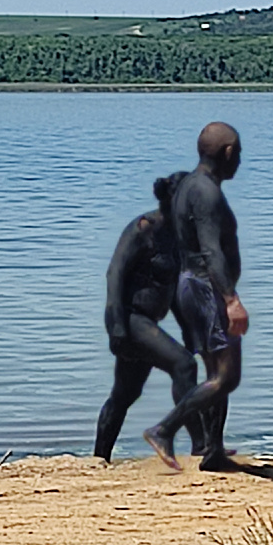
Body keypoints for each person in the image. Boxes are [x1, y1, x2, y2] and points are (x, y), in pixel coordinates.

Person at [143, 122, 248, 472]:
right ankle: (164, 429)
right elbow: (210, 250)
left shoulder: (189, 184)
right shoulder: (206, 192)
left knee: (215, 370)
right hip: (206, 288)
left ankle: (214, 451)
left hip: (191, 284)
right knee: (227, 377)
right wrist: (231, 299)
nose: (240, 160)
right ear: (228, 153)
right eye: (239, 153)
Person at [93, 173, 205, 463]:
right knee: (183, 365)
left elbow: (175, 290)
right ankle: (200, 447)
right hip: (129, 319)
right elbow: (114, 274)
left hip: (148, 323)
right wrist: (116, 326)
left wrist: (189, 331)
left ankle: (99, 459)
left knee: (124, 394)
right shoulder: (143, 229)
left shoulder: (179, 238)